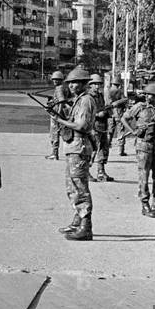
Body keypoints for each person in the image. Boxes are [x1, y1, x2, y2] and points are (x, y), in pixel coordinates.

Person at [56, 68, 96, 241]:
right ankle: (77, 221)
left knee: (80, 188)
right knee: (72, 186)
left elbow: (81, 126)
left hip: (79, 147)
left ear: (84, 84)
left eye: (76, 82)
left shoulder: (86, 100)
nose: (72, 86)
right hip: (73, 147)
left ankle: (86, 227)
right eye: (70, 83)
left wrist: (60, 120)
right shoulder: (79, 100)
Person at [122, 82, 155, 218]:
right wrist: (133, 131)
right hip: (143, 146)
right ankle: (145, 205)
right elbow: (124, 118)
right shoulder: (139, 107)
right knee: (143, 176)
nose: (152, 98)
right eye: (150, 95)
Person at [88, 73, 114, 182]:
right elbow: (86, 113)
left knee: (103, 149)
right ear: (90, 85)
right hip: (93, 126)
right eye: (95, 84)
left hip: (102, 126)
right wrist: (98, 114)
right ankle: (86, 171)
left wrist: (107, 112)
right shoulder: (88, 97)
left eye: (99, 84)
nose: (97, 86)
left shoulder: (100, 96)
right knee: (93, 150)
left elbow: (103, 107)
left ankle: (101, 171)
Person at [46, 70, 68, 160]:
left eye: (56, 79)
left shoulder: (59, 88)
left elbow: (62, 101)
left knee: (54, 133)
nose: (54, 81)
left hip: (57, 113)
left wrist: (57, 113)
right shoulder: (64, 87)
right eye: (54, 79)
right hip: (62, 113)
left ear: (60, 80)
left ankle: (54, 153)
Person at [107, 76, 129, 156]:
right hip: (119, 113)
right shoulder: (119, 91)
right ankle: (121, 150)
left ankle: (106, 147)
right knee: (121, 131)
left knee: (110, 132)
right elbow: (125, 99)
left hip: (110, 114)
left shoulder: (107, 91)